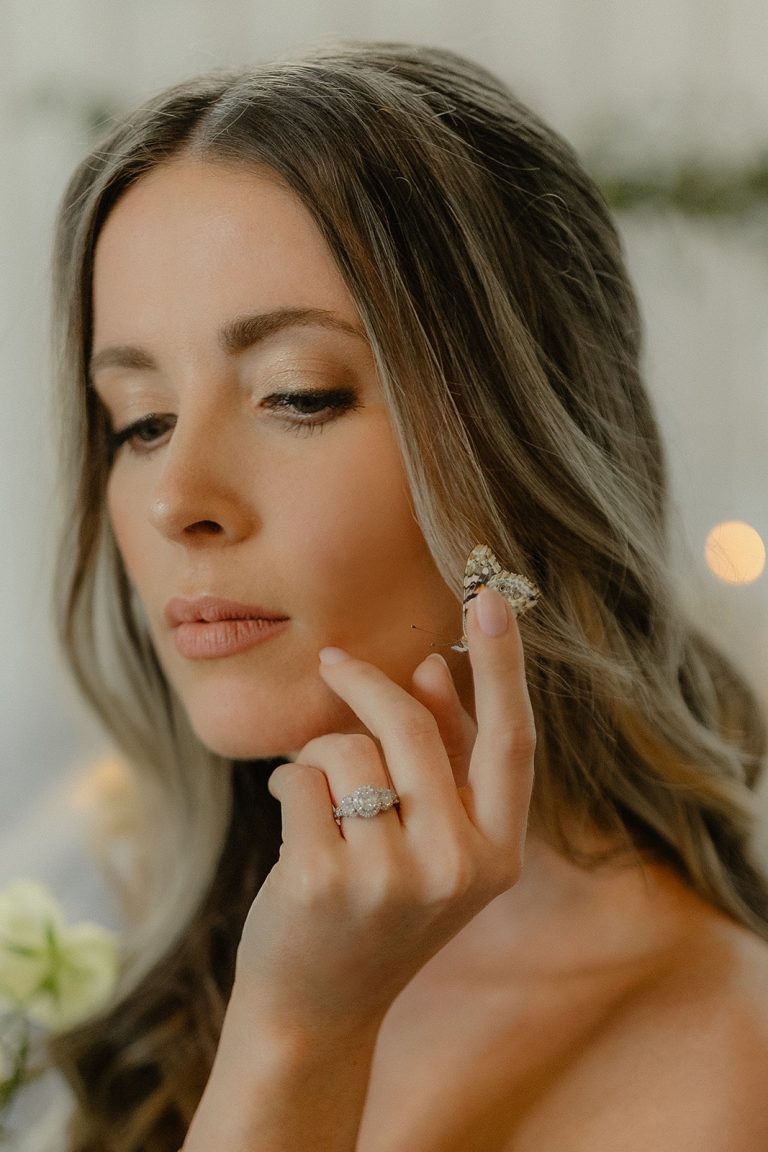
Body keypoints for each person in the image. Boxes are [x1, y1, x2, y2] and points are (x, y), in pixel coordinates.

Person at [47, 41, 768, 1152]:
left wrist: (296, 1037)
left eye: (297, 395)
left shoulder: (721, 1067)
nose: (175, 499)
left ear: (527, 443)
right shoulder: (132, 912)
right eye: (141, 421)